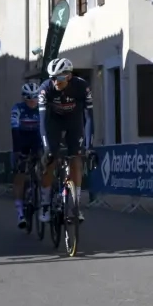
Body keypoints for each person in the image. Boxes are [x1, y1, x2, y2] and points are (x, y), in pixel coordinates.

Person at [37, 57, 93, 225]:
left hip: (74, 122)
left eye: (59, 78)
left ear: (69, 76)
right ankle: (45, 203)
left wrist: (89, 146)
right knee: (51, 159)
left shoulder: (81, 86)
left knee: (76, 159)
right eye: (52, 78)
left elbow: (89, 118)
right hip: (53, 122)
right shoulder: (45, 89)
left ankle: (75, 205)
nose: (55, 81)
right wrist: (47, 148)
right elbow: (42, 122)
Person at [10, 81, 43, 228]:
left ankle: (42, 192)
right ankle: (20, 213)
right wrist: (17, 151)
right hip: (21, 139)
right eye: (29, 97)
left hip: (37, 139)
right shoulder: (17, 108)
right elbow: (14, 130)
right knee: (20, 174)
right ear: (24, 98)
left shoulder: (41, 108)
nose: (32, 100)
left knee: (44, 162)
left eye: (35, 97)